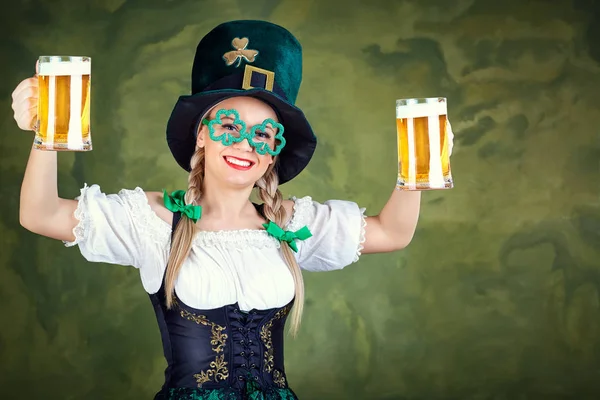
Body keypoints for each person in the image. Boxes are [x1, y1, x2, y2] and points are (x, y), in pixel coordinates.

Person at [11, 20, 441, 400]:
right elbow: (41, 214)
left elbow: (392, 232)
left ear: (273, 154)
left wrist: (425, 164)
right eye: (230, 126)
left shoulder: (288, 225)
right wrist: (43, 132)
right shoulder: (153, 221)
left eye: (264, 135)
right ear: (202, 135)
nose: (245, 145)